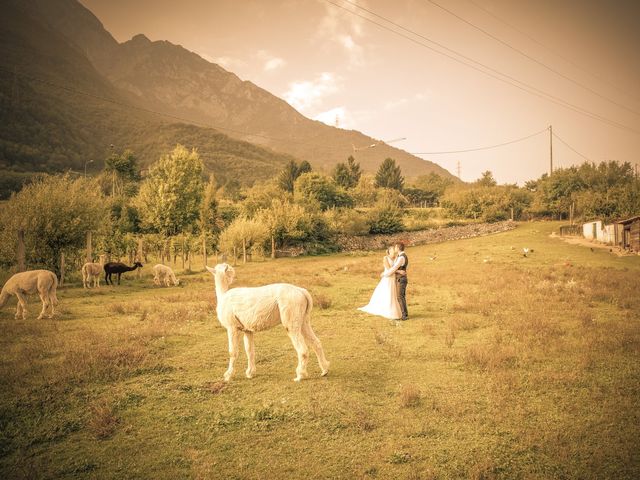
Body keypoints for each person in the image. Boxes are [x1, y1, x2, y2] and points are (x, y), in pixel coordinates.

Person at [357, 247, 402, 320]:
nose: (394, 251)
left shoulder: (396, 258)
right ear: (389, 251)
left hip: (393, 278)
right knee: (387, 293)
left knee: (392, 293)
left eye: (394, 249)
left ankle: (394, 310)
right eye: (393, 249)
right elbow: (389, 268)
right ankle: (386, 309)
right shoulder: (385, 258)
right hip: (387, 278)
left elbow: (395, 268)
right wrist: (397, 271)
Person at [384, 243, 408, 320]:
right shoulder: (400, 256)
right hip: (399, 278)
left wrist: (385, 274)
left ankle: (404, 315)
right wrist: (400, 271)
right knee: (401, 297)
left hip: (401, 279)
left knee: (400, 297)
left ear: (398, 248)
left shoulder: (401, 257)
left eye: (395, 247)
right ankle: (404, 314)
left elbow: (394, 268)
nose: (394, 248)